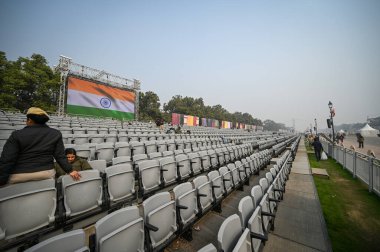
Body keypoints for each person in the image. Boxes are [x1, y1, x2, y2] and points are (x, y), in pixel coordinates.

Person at [0, 107, 80, 186]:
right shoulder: (55, 133)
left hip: (19, 175)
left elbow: (7, 159)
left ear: (30, 120)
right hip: (46, 173)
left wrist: (2, 180)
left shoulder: (16, 135)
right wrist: (70, 170)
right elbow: (60, 156)